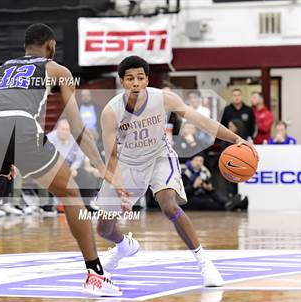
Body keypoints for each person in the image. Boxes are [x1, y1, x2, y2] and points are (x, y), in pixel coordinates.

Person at [0, 23, 126, 297]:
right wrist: (103, 169)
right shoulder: (57, 70)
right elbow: (77, 129)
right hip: (22, 128)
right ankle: (96, 274)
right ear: (50, 45)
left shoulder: (0, 70)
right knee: (72, 194)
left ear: (25, 47)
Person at [95, 56, 257, 287]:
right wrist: (118, 184)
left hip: (159, 157)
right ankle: (123, 246)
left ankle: (204, 263)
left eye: (140, 77)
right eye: (130, 78)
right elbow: (110, 154)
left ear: (147, 79)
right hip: (126, 163)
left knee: (169, 206)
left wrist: (235, 138)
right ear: (122, 82)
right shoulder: (111, 112)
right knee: (104, 228)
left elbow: (203, 121)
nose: (136, 82)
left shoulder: (164, 99)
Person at [181, 154, 248, 211]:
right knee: (206, 202)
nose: (198, 163)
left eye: (201, 161)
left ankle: (230, 203)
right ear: (191, 161)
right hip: (186, 199)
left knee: (214, 194)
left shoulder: (204, 172)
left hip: (199, 194)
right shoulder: (183, 170)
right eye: (196, 160)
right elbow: (181, 192)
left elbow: (206, 189)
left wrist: (209, 189)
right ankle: (231, 206)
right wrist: (193, 187)